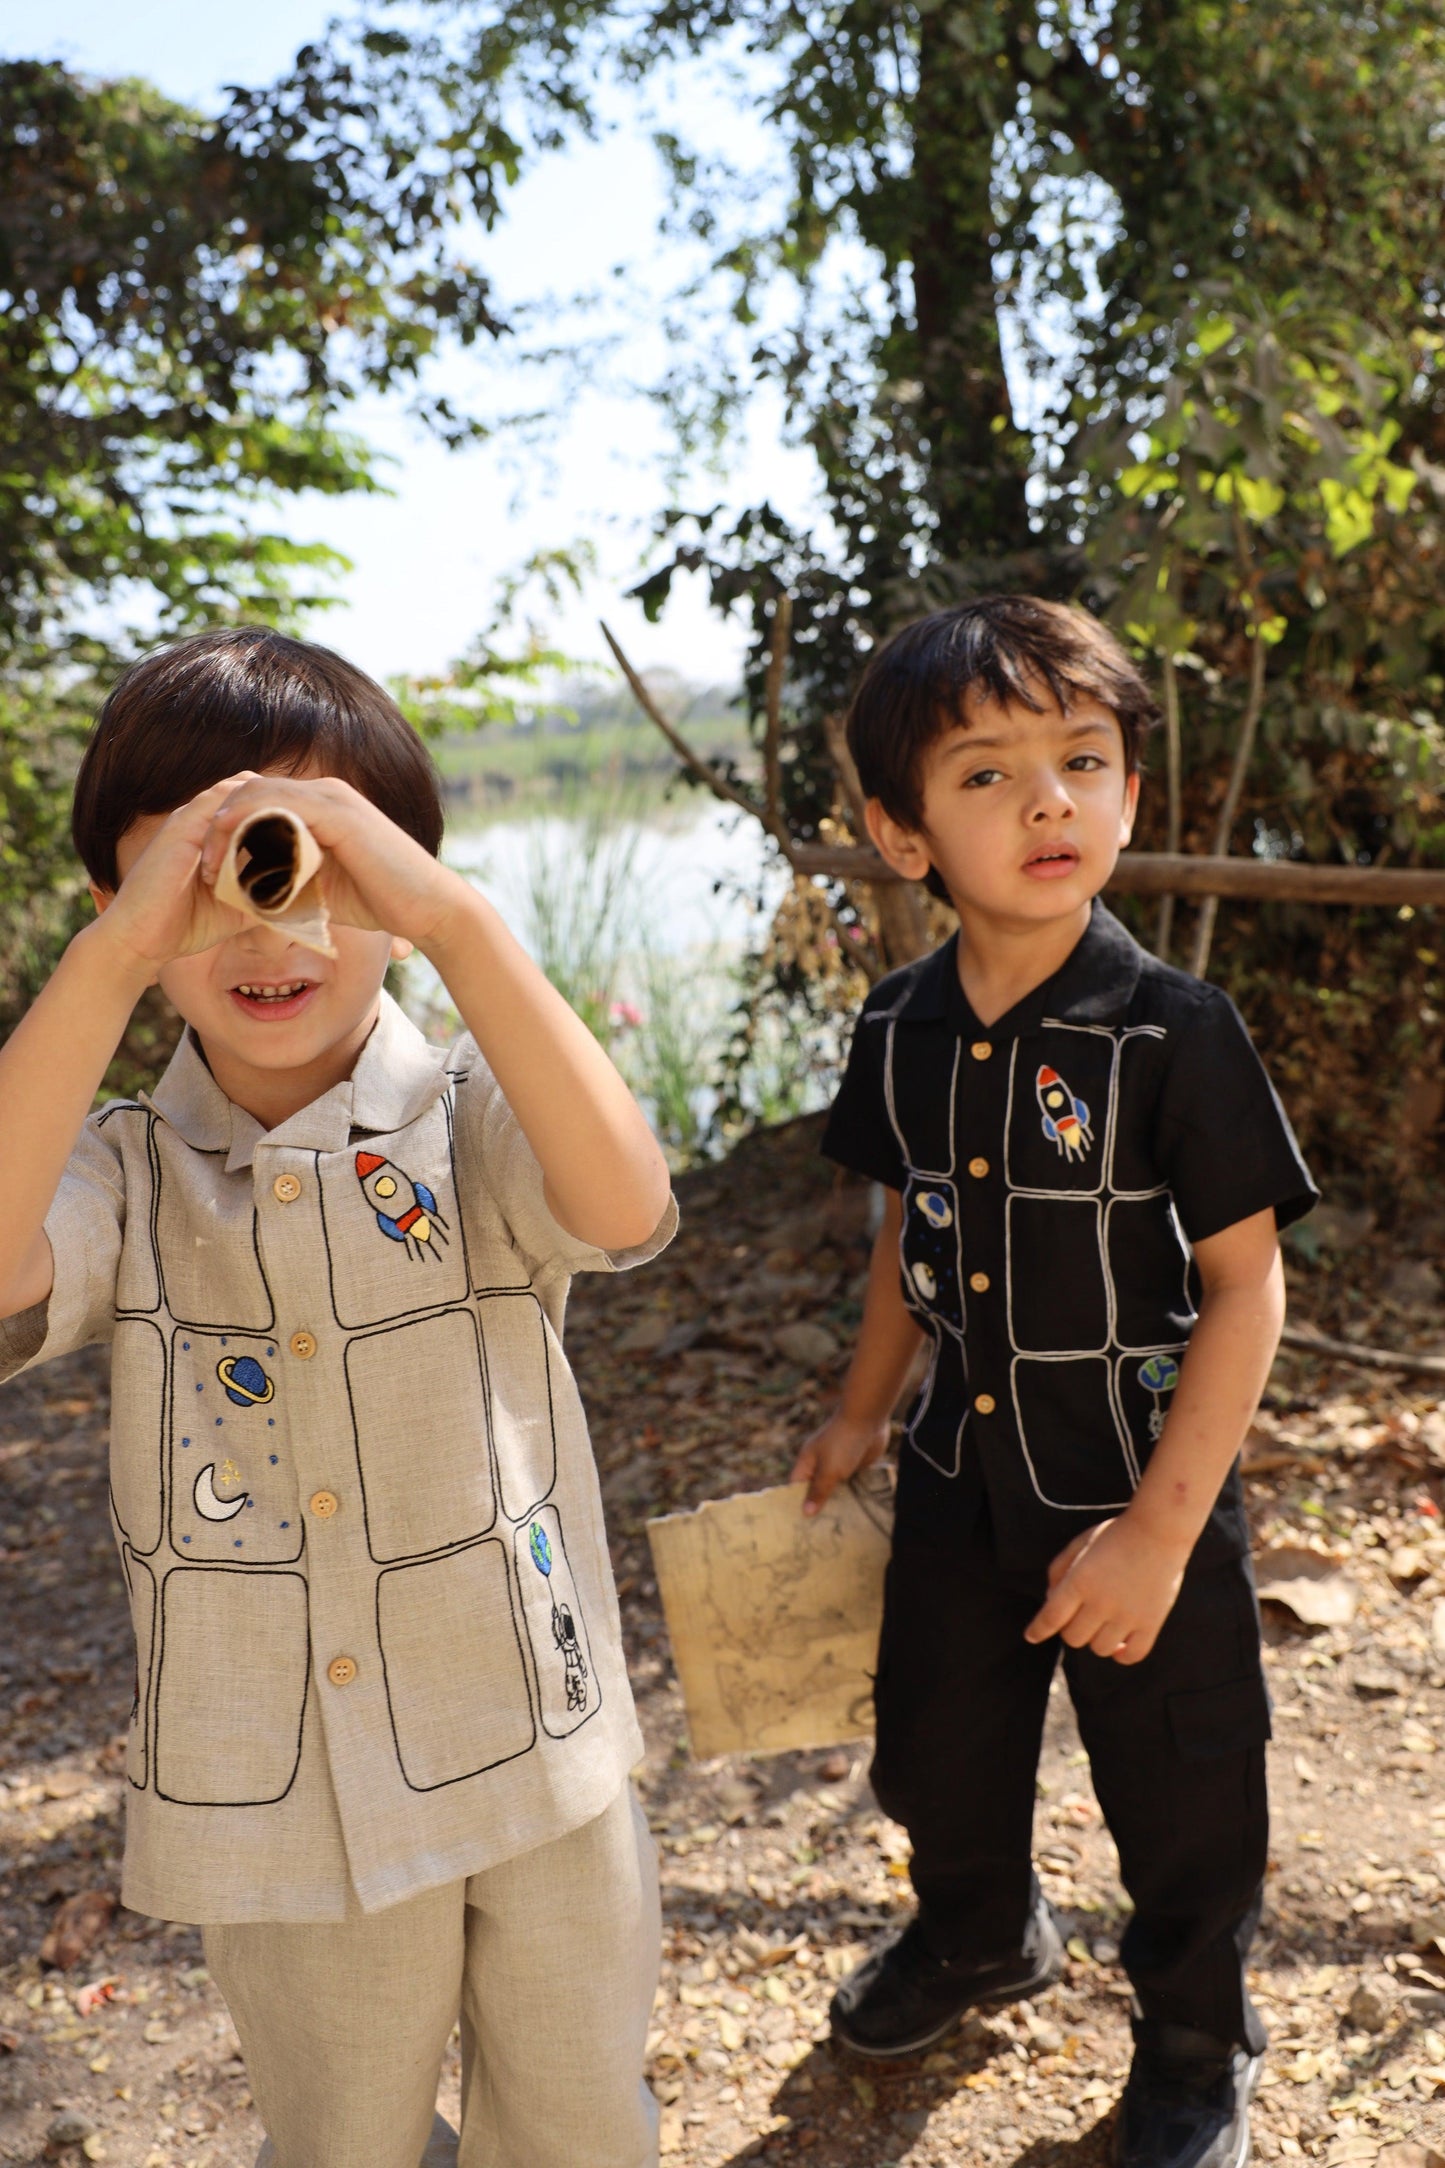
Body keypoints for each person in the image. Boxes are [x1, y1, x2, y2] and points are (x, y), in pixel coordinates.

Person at [0, 628, 677, 2168]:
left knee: (579, 2124)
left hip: (534, 1746)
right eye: (208, 874)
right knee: (339, 2141)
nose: (271, 924)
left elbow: (624, 1202)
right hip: (280, 1801)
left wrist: (452, 919)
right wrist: (112, 955)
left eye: (315, 868)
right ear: (122, 900)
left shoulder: (468, 1123)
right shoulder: (121, 1169)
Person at [792, 597, 1316, 2168]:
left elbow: (1245, 1285)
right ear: (900, 836)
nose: (1048, 804)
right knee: (932, 1750)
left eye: (1082, 762)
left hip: (1138, 1482)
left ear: (1128, 793)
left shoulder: (1173, 1033)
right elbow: (906, 1237)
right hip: (959, 1481)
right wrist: (862, 1407)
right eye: (987, 776)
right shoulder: (896, 1030)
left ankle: (1192, 2035)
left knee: (1183, 1792)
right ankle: (974, 1936)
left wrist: (1160, 1533)